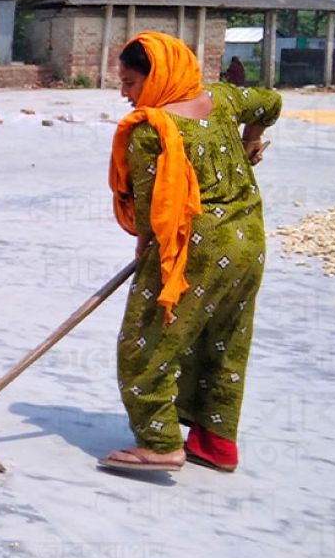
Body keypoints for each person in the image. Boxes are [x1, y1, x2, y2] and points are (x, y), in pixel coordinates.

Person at [100, 31, 280, 473]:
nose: (125, 94)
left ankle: (160, 443)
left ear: (158, 75)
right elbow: (270, 102)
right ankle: (217, 444)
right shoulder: (223, 100)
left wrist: (147, 251)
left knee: (144, 346)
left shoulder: (151, 130)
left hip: (193, 250)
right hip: (248, 244)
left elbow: (151, 213)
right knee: (225, 342)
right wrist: (250, 140)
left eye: (130, 83)